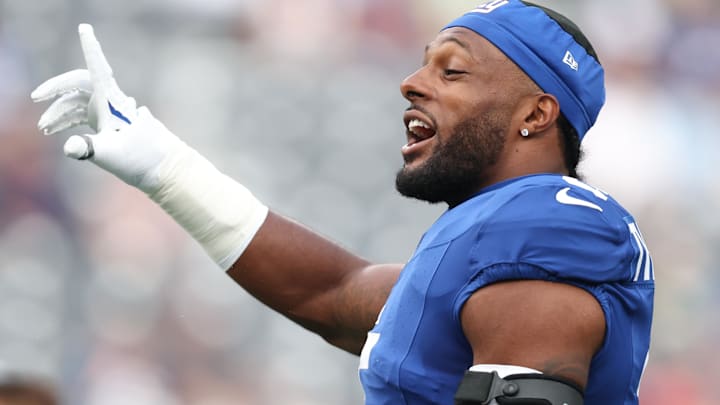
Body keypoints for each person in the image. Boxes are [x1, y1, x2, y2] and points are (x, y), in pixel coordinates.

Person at [31, 1, 654, 404]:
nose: (412, 83)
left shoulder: (543, 224)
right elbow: (332, 294)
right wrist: (164, 166)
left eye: (453, 71)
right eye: (423, 64)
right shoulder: (492, 238)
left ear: (536, 114)